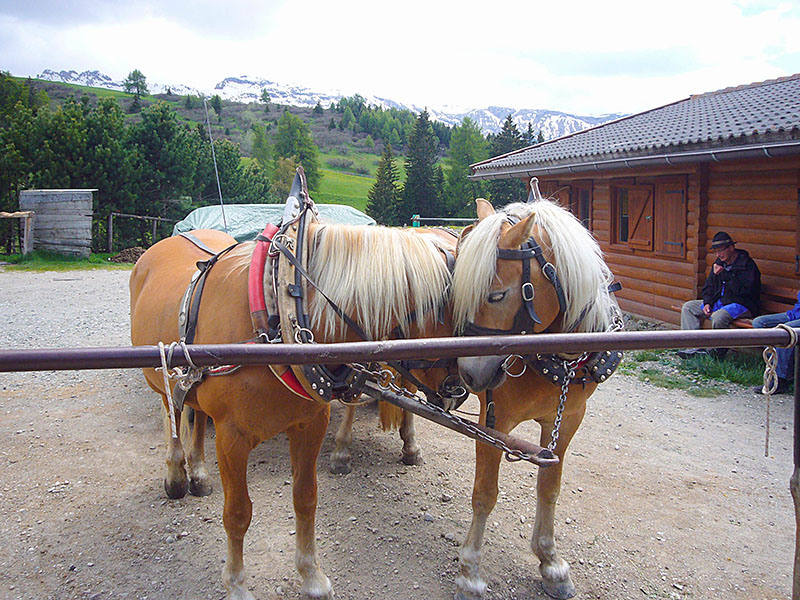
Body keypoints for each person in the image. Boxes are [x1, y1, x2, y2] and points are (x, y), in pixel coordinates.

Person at [678, 231, 761, 359]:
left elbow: (744, 291)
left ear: (731, 248)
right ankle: (692, 348)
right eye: (716, 251)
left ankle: (717, 352)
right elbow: (709, 286)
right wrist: (707, 302)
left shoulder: (747, 265)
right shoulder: (719, 263)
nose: (718, 254)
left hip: (742, 304)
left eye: (721, 250)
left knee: (718, 317)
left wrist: (725, 276)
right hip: (720, 302)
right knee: (689, 307)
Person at [751, 291, 800, 394]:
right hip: (796, 313)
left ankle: (780, 379)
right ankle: (773, 368)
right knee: (759, 323)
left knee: (786, 331)